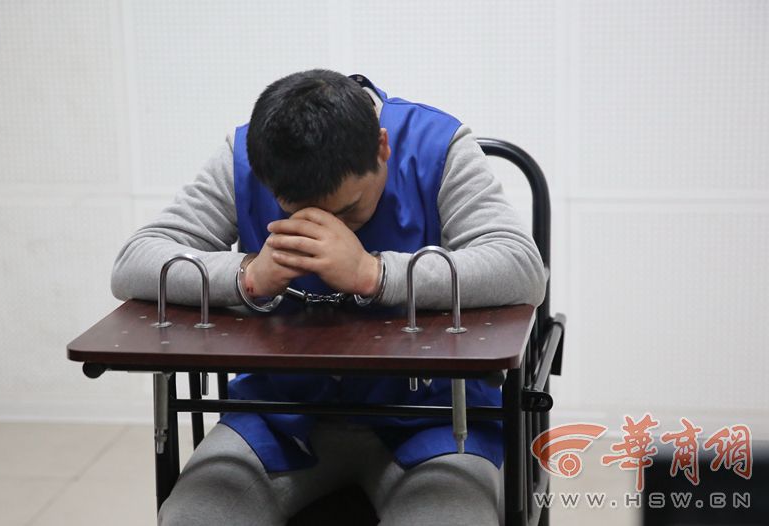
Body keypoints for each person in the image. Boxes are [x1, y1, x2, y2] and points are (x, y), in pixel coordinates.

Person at [111, 69, 546, 525]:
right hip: (278, 414)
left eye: (349, 209)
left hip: (434, 416)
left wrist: (373, 273)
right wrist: (247, 275)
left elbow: (519, 265)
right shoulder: (246, 155)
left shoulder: (439, 147)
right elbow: (135, 261)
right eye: (296, 215)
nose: (327, 231)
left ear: (382, 147)